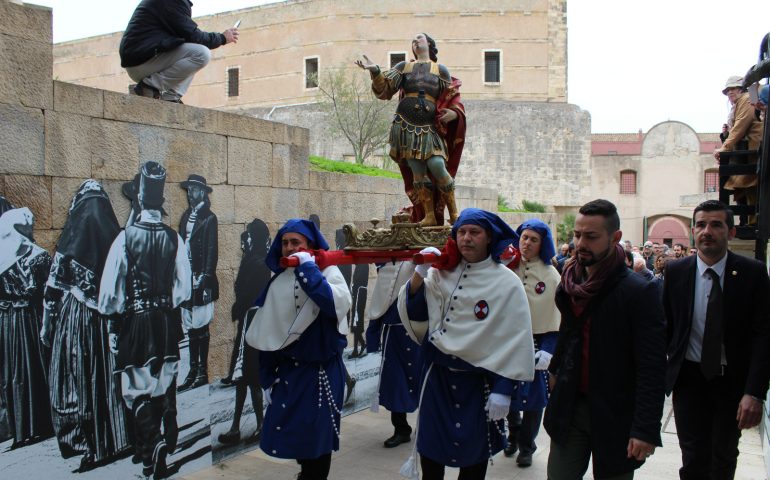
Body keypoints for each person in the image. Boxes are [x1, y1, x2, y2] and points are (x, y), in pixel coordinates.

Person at [397, 208, 535, 479]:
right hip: (438, 382)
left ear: (489, 238)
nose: (466, 238)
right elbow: (418, 317)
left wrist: (504, 389)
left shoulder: (508, 283)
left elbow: (516, 339)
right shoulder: (439, 274)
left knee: (473, 461)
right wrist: (418, 276)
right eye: (461, 232)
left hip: (478, 385)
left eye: (474, 232)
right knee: (432, 457)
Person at [544, 199, 666, 480]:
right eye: (577, 235)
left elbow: (652, 365)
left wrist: (645, 429)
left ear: (615, 238)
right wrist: (556, 368)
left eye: (591, 236)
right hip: (571, 407)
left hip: (617, 413)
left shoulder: (638, 292)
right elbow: (569, 330)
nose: (580, 243)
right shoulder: (569, 281)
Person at [663, 200, 770, 480]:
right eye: (700, 225)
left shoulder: (753, 273)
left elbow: (764, 336)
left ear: (731, 233)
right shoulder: (676, 273)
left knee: (723, 456)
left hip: (731, 383)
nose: (707, 231)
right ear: (693, 232)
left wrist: (755, 392)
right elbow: (665, 328)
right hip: (688, 380)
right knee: (692, 457)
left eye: (716, 225)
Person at [99, 162, 192, 479]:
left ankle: (153, 445)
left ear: (138, 201)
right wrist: (167, 302)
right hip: (166, 321)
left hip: (136, 321)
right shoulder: (175, 239)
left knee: (133, 391)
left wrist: (114, 324)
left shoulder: (125, 239)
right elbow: (184, 289)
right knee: (159, 386)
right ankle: (153, 454)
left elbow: (110, 293)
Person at [245, 219, 352, 480]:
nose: (290, 248)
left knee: (318, 444)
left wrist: (308, 270)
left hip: (322, 373)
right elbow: (268, 335)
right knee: (295, 439)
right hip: (290, 375)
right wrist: (268, 378)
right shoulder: (278, 282)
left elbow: (332, 303)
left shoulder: (328, 274)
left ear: (310, 246)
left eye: (296, 242)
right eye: (285, 243)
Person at [40, 180, 130, 470]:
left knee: (77, 379)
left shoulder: (71, 240)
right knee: (106, 378)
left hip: (76, 319)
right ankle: (117, 437)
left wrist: (46, 326)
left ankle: (87, 443)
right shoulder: (116, 240)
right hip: (107, 321)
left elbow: (52, 290)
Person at [356, 33, 466, 226]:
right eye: (413, 40)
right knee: (417, 172)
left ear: (430, 44)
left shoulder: (440, 70)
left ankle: (454, 213)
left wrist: (455, 113)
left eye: (419, 38)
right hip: (405, 125)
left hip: (430, 127)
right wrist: (375, 71)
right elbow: (385, 89)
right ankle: (429, 215)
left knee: (438, 165)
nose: (415, 42)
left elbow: (453, 96)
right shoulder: (403, 67)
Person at [503, 219, 561, 468]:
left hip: (537, 343)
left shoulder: (551, 276)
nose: (526, 243)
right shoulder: (506, 268)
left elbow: (555, 318)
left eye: (533, 239)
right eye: (524, 237)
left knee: (534, 400)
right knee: (506, 392)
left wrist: (548, 351)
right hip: (507, 341)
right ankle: (513, 433)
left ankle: (528, 445)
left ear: (542, 244)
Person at [0, 207, 54, 449]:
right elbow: (47, 291)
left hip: (10, 322)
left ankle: (23, 429)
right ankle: (41, 423)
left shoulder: (3, 258)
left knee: (17, 373)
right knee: (34, 368)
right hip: (31, 319)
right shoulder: (39, 256)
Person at [119, 0, 239, 103]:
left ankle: (171, 97)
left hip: (145, 59)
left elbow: (190, 36)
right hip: (141, 62)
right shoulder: (171, 2)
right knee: (201, 53)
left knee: (193, 50)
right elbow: (194, 35)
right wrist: (222, 38)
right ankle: (149, 86)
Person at [218, 219, 271, 445]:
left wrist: (239, 307)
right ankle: (235, 427)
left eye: (248, 234)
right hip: (247, 322)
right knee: (241, 378)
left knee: (252, 377)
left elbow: (247, 293)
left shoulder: (258, 263)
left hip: (253, 323)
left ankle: (261, 425)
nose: (245, 238)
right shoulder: (252, 260)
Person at [364, 261, 423, 448]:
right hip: (394, 339)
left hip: (419, 335)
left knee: (425, 383)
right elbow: (379, 303)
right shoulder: (387, 268)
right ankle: (401, 429)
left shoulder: (420, 263)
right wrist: (372, 338)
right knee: (396, 383)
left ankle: (427, 427)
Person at [178, 174, 219, 392]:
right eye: (188, 190)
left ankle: (202, 370)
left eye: (193, 189)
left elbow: (212, 251)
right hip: (187, 276)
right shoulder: (186, 216)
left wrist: (204, 278)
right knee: (191, 327)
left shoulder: (209, 218)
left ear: (202, 192)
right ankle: (193, 369)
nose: (189, 194)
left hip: (201, 278)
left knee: (201, 325)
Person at [714, 76, 763, 225]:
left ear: (741, 89)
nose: (730, 92)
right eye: (728, 90)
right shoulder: (739, 103)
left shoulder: (746, 99)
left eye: (733, 88)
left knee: (749, 183)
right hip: (745, 151)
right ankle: (750, 220)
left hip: (752, 149)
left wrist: (725, 147)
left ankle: (753, 220)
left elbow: (741, 126)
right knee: (744, 185)